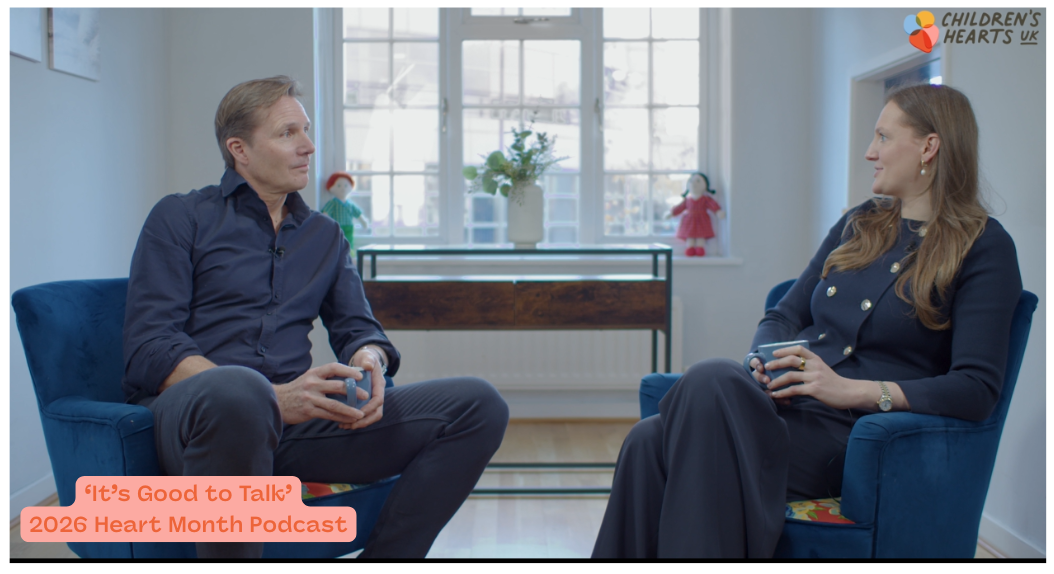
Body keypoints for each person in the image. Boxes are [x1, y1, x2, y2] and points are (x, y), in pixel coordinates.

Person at [592, 83, 1022, 558]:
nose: (869, 152)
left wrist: (851, 390)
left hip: (853, 437)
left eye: (882, 137)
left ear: (929, 146)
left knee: (698, 389)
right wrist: (764, 361)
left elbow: (976, 388)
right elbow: (785, 313)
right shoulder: (860, 222)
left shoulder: (984, 247)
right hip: (781, 407)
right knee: (648, 437)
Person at [122, 76, 509, 559]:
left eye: (306, 130)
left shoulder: (324, 235)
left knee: (479, 404)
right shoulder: (181, 217)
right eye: (288, 133)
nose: (308, 146)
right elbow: (151, 347)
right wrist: (271, 397)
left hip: (296, 426)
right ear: (239, 150)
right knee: (239, 391)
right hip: (199, 421)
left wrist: (369, 359)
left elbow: (358, 328)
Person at [665, 172, 724, 257]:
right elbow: (680, 207)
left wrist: (718, 211)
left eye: (698, 181)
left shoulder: (705, 199)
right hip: (689, 221)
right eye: (691, 181)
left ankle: (700, 248)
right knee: (690, 235)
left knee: (701, 235)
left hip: (702, 220)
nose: (694, 184)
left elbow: (712, 205)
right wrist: (672, 213)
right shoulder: (687, 200)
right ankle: (690, 247)